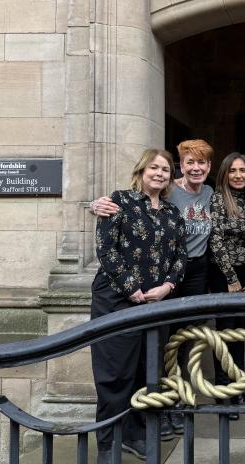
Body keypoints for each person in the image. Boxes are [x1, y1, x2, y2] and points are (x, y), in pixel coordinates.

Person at [90, 139, 214, 439]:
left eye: (165, 170)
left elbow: (180, 255)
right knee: (117, 372)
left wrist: (168, 286)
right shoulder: (118, 201)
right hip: (117, 299)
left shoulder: (172, 213)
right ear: (142, 170)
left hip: (157, 302)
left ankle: (141, 432)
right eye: (154, 168)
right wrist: (132, 288)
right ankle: (112, 440)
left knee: (149, 369)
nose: (160, 173)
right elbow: (106, 250)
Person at [208, 152, 245, 419]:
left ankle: (238, 387)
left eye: (243, 170)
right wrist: (231, 279)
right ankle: (223, 391)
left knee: (240, 332)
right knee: (224, 332)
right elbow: (215, 241)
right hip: (223, 275)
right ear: (225, 174)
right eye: (233, 171)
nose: (238, 175)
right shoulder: (217, 200)